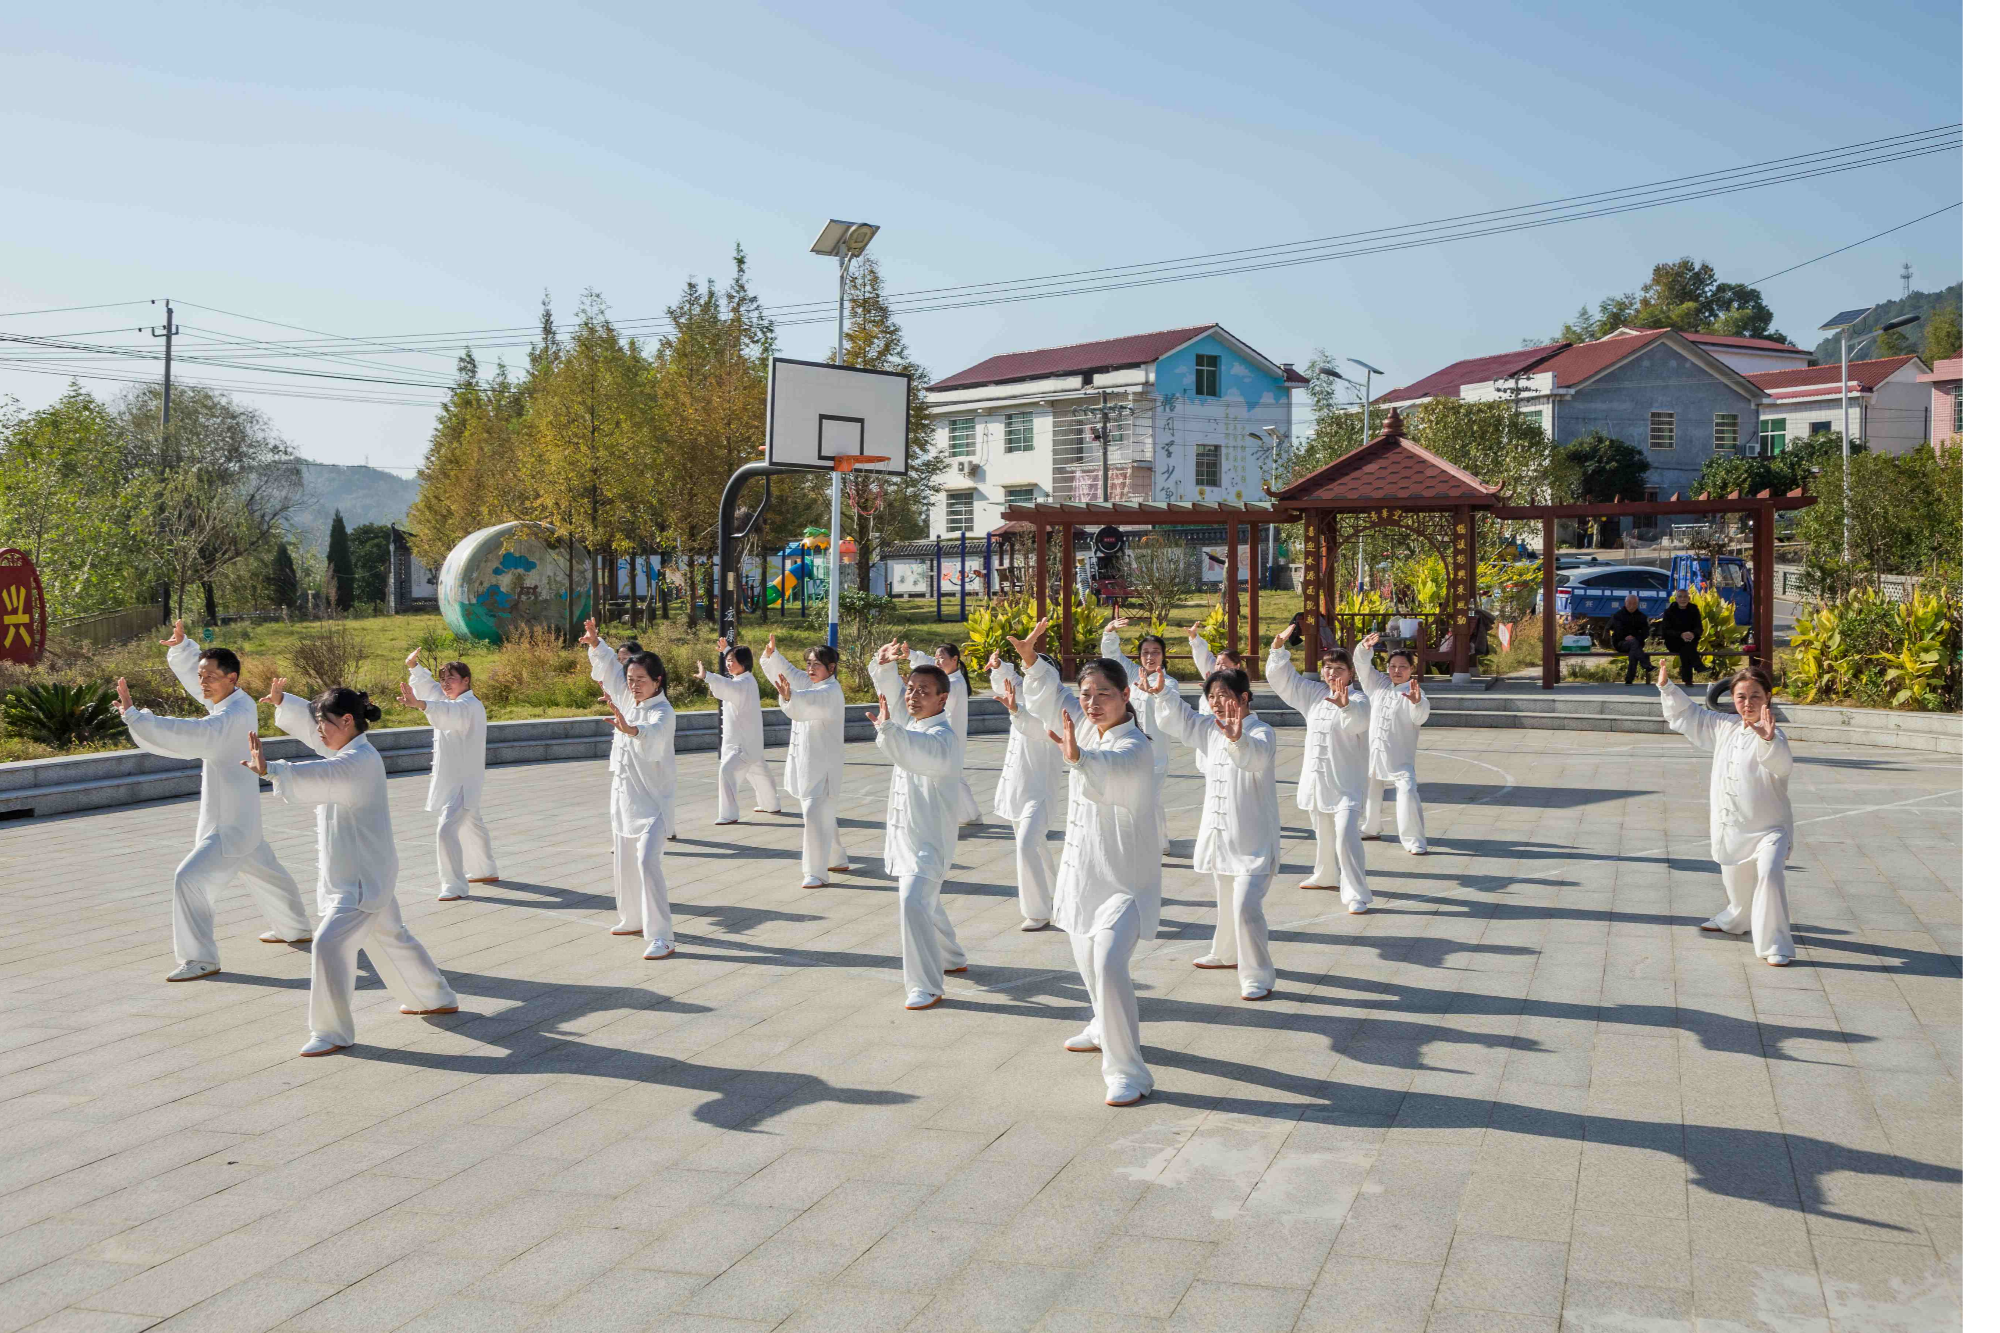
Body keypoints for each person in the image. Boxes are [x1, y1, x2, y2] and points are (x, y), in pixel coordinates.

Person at [252, 684, 458, 1056]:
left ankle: (331, 1032)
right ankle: (433, 997)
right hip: (368, 872)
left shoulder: (356, 761)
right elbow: (316, 740)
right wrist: (286, 703)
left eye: (324, 723)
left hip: (360, 881)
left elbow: (320, 774)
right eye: (317, 723)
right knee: (392, 935)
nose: (318, 731)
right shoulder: (348, 749)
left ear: (347, 720)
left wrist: (273, 770)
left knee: (329, 944)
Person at [1016, 618, 1163, 1108]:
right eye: (1086, 694)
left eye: (1102, 693)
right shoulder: (1082, 726)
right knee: (1086, 963)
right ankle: (1103, 1025)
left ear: (1126, 696)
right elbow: (1047, 700)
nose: (1091, 702)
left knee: (1108, 963)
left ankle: (1129, 1072)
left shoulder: (1134, 746)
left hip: (1123, 882)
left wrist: (1080, 761)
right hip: (1082, 876)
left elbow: (1113, 772)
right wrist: (1033, 663)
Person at [113, 620, 313, 982]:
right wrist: (183, 648)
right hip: (241, 816)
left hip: (227, 822)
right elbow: (199, 678)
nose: (203, 682)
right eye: (201, 675)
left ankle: (199, 958)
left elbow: (195, 734)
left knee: (188, 879)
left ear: (232, 678)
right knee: (265, 870)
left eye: (211, 676)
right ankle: (295, 927)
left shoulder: (231, 717)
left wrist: (137, 717)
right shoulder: (236, 700)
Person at [1139, 664, 1283, 1001]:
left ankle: (1258, 976)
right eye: (1212, 696)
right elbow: (1181, 720)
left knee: (1247, 907)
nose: (1217, 702)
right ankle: (1226, 953)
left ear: (1244, 697)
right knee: (1226, 900)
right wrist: (1162, 693)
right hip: (1222, 836)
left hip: (1253, 840)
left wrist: (1238, 739)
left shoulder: (1262, 732)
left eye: (1224, 696)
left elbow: (1254, 759)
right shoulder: (1209, 729)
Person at [1659, 661, 1796, 966]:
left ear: (1768, 697)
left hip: (1770, 829)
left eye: (1756, 696)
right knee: (1737, 890)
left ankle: (1775, 944)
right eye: (1741, 697)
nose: (1748, 703)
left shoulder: (1776, 735)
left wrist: (1768, 739)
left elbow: (1782, 765)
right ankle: (1735, 920)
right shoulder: (1724, 726)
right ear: (1733, 699)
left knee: (1770, 876)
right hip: (1733, 828)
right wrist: (1667, 687)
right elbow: (1689, 715)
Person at [867, 647, 968, 1009]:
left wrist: (887, 731)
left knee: (913, 899)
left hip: (930, 840)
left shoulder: (942, 738)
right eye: (911, 689)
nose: (913, 696)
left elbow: (912, 748)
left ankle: (926, 985)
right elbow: (889, 698)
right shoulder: (911, 725)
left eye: (924, 691)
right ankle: (953, 956)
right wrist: (884, 665)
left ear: (944, 698)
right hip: (905, 835)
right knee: (926, 901)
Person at [582, 619, 679, 960]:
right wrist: (596, 644)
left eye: (641, 680)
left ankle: (662, 936)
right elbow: (609, 668)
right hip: (624, 797)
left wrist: (632, 730)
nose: (634, 685)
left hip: (653, 803)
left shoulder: (663, 713)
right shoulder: (627, 699)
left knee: (646, 861)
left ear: (658, 681)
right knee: (624, 861)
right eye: (631, 680)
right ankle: (632, 918)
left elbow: (651, 739)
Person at [1265, 628, 1372, 913]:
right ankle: (1326, 875)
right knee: (1323, 832)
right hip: (1318, 780)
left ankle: (1355, 893)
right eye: (1328, 668)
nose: (1332, 673)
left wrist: (1345, 705)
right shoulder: (1313, 694)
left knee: (1347, 835)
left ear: (1351, 673)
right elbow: (1285, 680)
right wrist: (1277, 649)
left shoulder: (1359, 700)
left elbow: (1357, 723)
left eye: (1339, 669)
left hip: (1346, 784)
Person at [398, 651, 498, 901]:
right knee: (472, 823)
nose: (444, 683)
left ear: (466, 680)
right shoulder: (449, 700)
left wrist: (420, 705)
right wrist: (413, 666)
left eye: (450, 678)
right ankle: (485, 870)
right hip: (456, 778)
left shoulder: (469, 705)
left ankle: (454, 885)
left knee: (446, 830)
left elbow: (443, 711)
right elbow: (430, 690)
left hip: (464, 781)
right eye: (443, 679)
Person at [762, 635, 850, 887]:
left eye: (816, 665)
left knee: (813, 813)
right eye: (809, 664)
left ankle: (816, 872)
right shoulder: (809, 682)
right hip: (807, 762)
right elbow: (789, 673)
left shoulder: (830, 691)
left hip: (824, 766)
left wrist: (791, 699)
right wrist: (772, 656)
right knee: (822, 812)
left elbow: (807, 703)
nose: (810, 669)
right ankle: (837, 857)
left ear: (831, 668)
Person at [986, 649, 1060, 931]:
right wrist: (999, 666)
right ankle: (1058, 895)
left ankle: (1038, 911)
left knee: (1027, 844)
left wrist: (1017, 710)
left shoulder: (1056, 704)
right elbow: (1007, 681)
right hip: (1017, 788)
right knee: (1037, 846)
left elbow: (1039, 729)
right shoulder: (1023, 693)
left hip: (1040, 792)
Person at [1099, 618, 1179, 853]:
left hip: (1156, 751)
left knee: (1149, 796)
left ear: (1163, 656)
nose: (1150, 657)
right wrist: (1109, 633)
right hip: (1131, 746)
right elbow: (1113, 657)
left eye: (1155, 652)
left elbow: (1170, 703)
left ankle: (1151, 843)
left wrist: (1158, 693)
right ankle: (1159, 840)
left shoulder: (1170, 683)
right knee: (1141, 795)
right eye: (1145, 652)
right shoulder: (1133, 675)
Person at [1354, 632, 1431, 854]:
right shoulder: (1377, 684)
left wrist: (1417, 703)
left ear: (1411, 669)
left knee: (1407, 792)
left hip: (1399, 756)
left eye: (1403, 666)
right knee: (1371, 789)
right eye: (1393, 666)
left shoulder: (1415, 691)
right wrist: (1364, 648)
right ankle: (1371, 827)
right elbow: (1361, 666)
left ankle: (1413, 839)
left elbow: (1420, 717)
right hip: (1374, 750)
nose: (1397, 670)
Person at [699, 639, 782, 825]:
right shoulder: (746, 679)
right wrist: (727, 651)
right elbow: (731, 681)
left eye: (732, 661)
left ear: (743, 664)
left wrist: (708, 676)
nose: (728, 664)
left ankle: (729, 814)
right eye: (727, 661)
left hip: (742, 744)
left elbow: (729, 687)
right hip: (749, 741)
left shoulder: (742, 683)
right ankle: (771, 804)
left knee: (727, 771)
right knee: (759, 773)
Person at [908, 641, 980, 825]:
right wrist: (911, 654)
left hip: (948, 734)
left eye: (942, 658)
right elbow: (928, 661)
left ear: (955, 659)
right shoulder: (951, 680)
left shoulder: (953, 683)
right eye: (936, 657)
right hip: (948, 734)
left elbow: (939, 709)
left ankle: (969, 815)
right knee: (953, 775)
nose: (937, 661)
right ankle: (971, 815)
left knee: (950, 775)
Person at [1660, 588, 1704, 686]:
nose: (1683, 599)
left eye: (1685, 597)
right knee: (1687, 647)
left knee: (1687, 647)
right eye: (1680, 597)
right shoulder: (1669, 611)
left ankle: (1690, 677)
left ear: (1689, 598)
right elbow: (1665, 631)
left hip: (1690, 640)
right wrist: (1680, 634)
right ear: (1676, 599)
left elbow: (1699, 628)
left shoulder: (1693, 609)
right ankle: (1697, 668)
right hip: (1673, 641)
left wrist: (1692, 634)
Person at [1610, 594, 1653, 686]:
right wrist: (1625, 637)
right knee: (1634, 645)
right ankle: (1645, 664)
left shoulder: (1642, 617)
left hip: (1636, 643)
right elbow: (1617, 630)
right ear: (1625, 603)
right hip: (1620, 643)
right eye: (1629, 603)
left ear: (1638, 604)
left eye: (1634, 603)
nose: (1631, 606)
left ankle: (1629, 680)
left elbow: (1646, 633)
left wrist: (1635, 638)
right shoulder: (1618, 615)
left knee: (1633, 649)